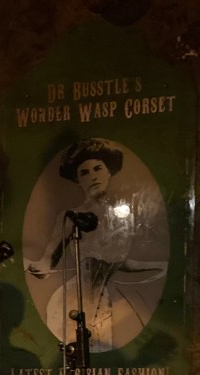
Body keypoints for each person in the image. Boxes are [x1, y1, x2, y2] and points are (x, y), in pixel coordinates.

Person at [25, 138, 167, 352]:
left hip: (103, 307)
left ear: (108, 172)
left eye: (98, 169)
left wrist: (160, 266)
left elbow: (119, 262)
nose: (93, 176)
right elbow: (45, 265)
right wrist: (26, 262)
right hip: (72, 306)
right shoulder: (72, 217)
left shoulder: (122, 218)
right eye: (85, 173)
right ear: (78, 180)